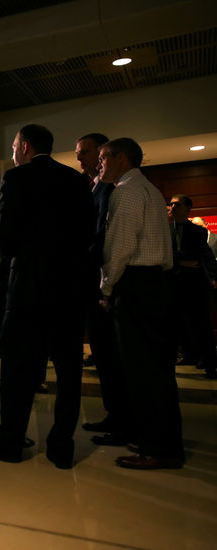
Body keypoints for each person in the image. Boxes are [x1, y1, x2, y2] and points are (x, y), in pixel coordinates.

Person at [0, 124, 93, 469]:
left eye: (13, 146)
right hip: (69, 290)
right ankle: (61, 448)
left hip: (29, 289)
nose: (12, 152)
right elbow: (89, 234)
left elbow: (4, 236)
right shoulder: (76, 180)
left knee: (20, 369)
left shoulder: (17, 178)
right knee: (68, 372)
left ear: (23, 147)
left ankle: (10, 441)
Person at [97, 137, 184, 469]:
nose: (100, 164)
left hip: (137, 285)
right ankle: (162, 441)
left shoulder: (127, 191)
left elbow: (119, 248)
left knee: (143, 372)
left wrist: (106, 289)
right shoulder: (149, 189)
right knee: (158, 370)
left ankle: (157, 449)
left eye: (104, 158)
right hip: (155, 284)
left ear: (121, 159)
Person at [75, 133, 132, 444]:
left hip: (102, 285)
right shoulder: (96, 187)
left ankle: (124, 420)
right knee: (103, 354)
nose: (81, 159)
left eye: (85, 153)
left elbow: (103, 240)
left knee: (111, 355)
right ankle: (115, 415)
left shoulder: (113, 189)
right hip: (93, 283)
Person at [168, 194, 217, 379]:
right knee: (177, 324)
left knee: (201, 324)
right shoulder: (165, 230)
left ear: (188, 208)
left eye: (177, 204)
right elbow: (165, 255)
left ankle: (209, 363)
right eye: (171, 204)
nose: (172, 207)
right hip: (173, 283)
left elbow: (194, 255)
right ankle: (188, 355)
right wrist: (180, 261)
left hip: (195, 285)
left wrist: (175, 259)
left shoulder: (198, 231)